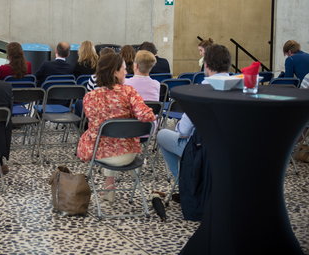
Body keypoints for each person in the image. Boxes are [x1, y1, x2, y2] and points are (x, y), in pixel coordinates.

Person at [77, 53, 155, 202]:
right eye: (124, 69)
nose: (126, 72)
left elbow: (94, 128)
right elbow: (147, 117)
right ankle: (109, 189)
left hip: (100, 155)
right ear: (115, 71)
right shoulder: (129, 92)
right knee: (115, 139)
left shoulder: (90, 97)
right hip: (128, 154)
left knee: (104, 139)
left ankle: (109, 190)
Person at [157, 44, 231, 178]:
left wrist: (179, 129)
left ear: (206, 65)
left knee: (162, 135)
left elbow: (183, 131)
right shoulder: (239, 88)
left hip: (201, 148)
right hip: (229, 147)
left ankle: (185, 183)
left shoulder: (200, 91)